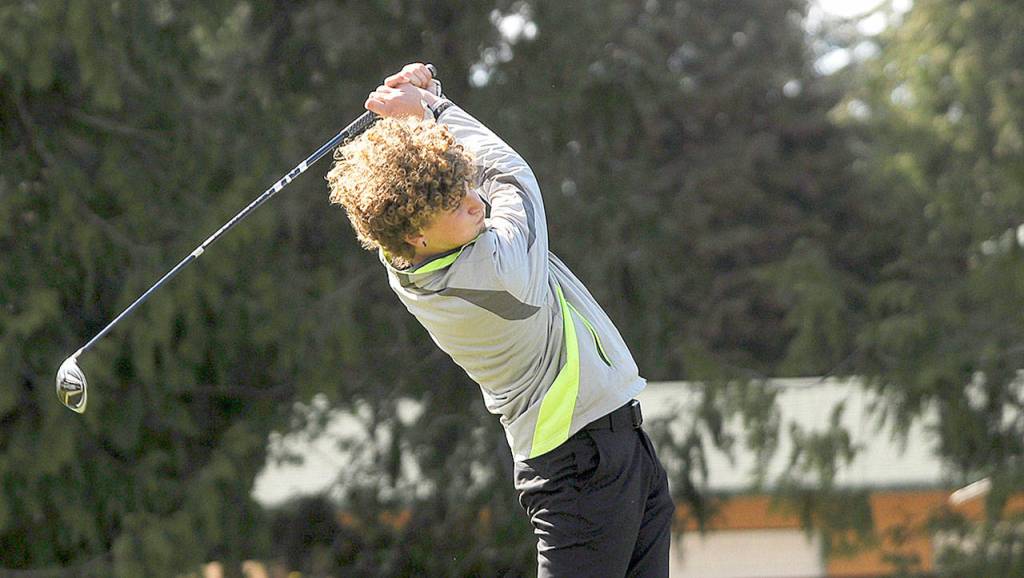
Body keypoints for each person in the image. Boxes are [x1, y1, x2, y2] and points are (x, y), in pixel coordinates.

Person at [326, 63, 674, 577]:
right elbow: (513, 176)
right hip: (578, 465)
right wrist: (435, 111)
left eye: (464, 186)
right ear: (419, 236)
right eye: (456, 203)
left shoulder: (418, 247)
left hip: (613, 447)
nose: (475, 202)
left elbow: (422, 186)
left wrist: (420, 115)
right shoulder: (498, 272)